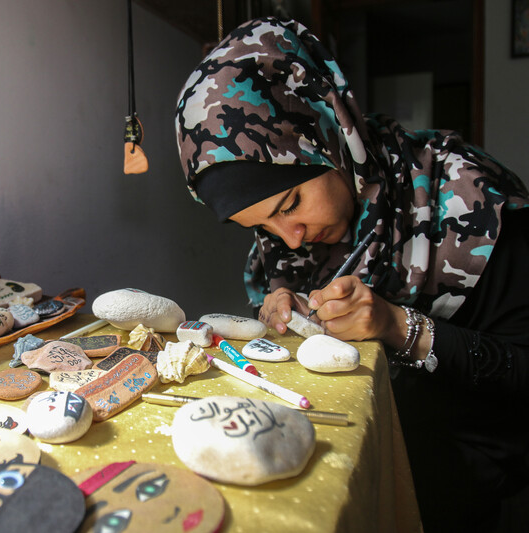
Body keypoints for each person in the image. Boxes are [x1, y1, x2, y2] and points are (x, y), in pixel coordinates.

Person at [174, 16, 529, 533]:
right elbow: (285, 270)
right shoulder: (285, 238)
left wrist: (398, 328)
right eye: (260, 226)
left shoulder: (470, 197)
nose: (289, 238)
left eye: (291, 202)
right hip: (357, 449)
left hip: (462, 471)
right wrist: (282, 299)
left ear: (327, 134)